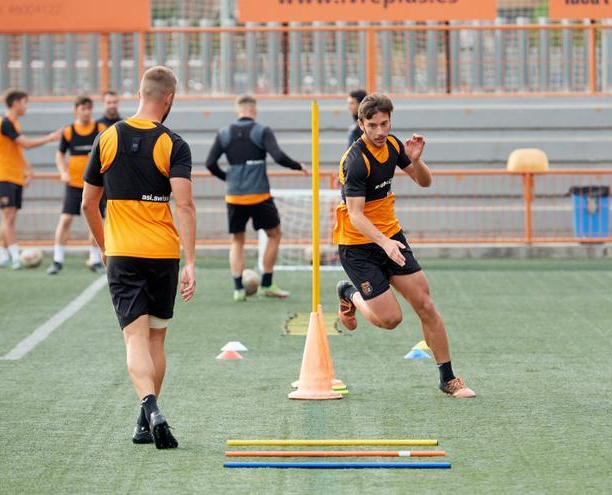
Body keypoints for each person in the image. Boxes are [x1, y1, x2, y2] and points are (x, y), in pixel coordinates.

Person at [82, 66, 196, 449]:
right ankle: (146, 419)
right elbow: (185, 206)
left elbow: (87, 203)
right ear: (169, 99)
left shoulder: (107, 137)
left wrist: (104, 245)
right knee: (157, 341)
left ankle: (149, 408)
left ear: (139, 93)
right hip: (163, 254)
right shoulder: (174, 144)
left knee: (134, 338)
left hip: (124, 254)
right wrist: (191, 261)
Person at [333, 93, 475, 399]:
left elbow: (425, 182)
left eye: (385, 123)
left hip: (391, 237)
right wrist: (384, 243)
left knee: (425, 303)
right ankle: (349, 293)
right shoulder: (356, 161)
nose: (380, 131)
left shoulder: (395, 145)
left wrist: (416, 160)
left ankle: (448, 378)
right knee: (390, 319)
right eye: (373, 125)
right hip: (358, 245)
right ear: (361, 125)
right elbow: (356, 216)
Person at [205, 95, 308, 302]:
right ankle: (267, 284)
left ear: (238, 110)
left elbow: (210, 163)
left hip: (234, 196)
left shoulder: (224, 132)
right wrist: (298, 166)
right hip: (259, 195)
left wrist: (229, 178)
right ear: (254, 110)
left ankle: (238, 289)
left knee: (237, 241)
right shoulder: (262, 130)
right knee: (274, 234)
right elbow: (278, 157)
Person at [0, 89, 61, 269]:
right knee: (8, 215)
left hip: (14, 176)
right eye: (24, 102)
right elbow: (26, 144)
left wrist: (28, 170)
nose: (26, 106)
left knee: (9, 217)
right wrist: (50, 138)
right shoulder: (5, 122)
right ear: (15, 103)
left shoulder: (14, 124)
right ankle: (15, 256)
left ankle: (3, 255)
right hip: (4, 175)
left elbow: (17, 151)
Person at [46, 96, 107, 275]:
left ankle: (95, 259)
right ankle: (57, 260)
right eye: (83, 108)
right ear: (76, 110)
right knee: (65, 220)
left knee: (96, 221)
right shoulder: (69, 132)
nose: (86, 111)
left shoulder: (100, 129)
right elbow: (59, 154)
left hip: (95, 184)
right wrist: (63, 172)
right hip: (73, 184)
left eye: (89, 108)